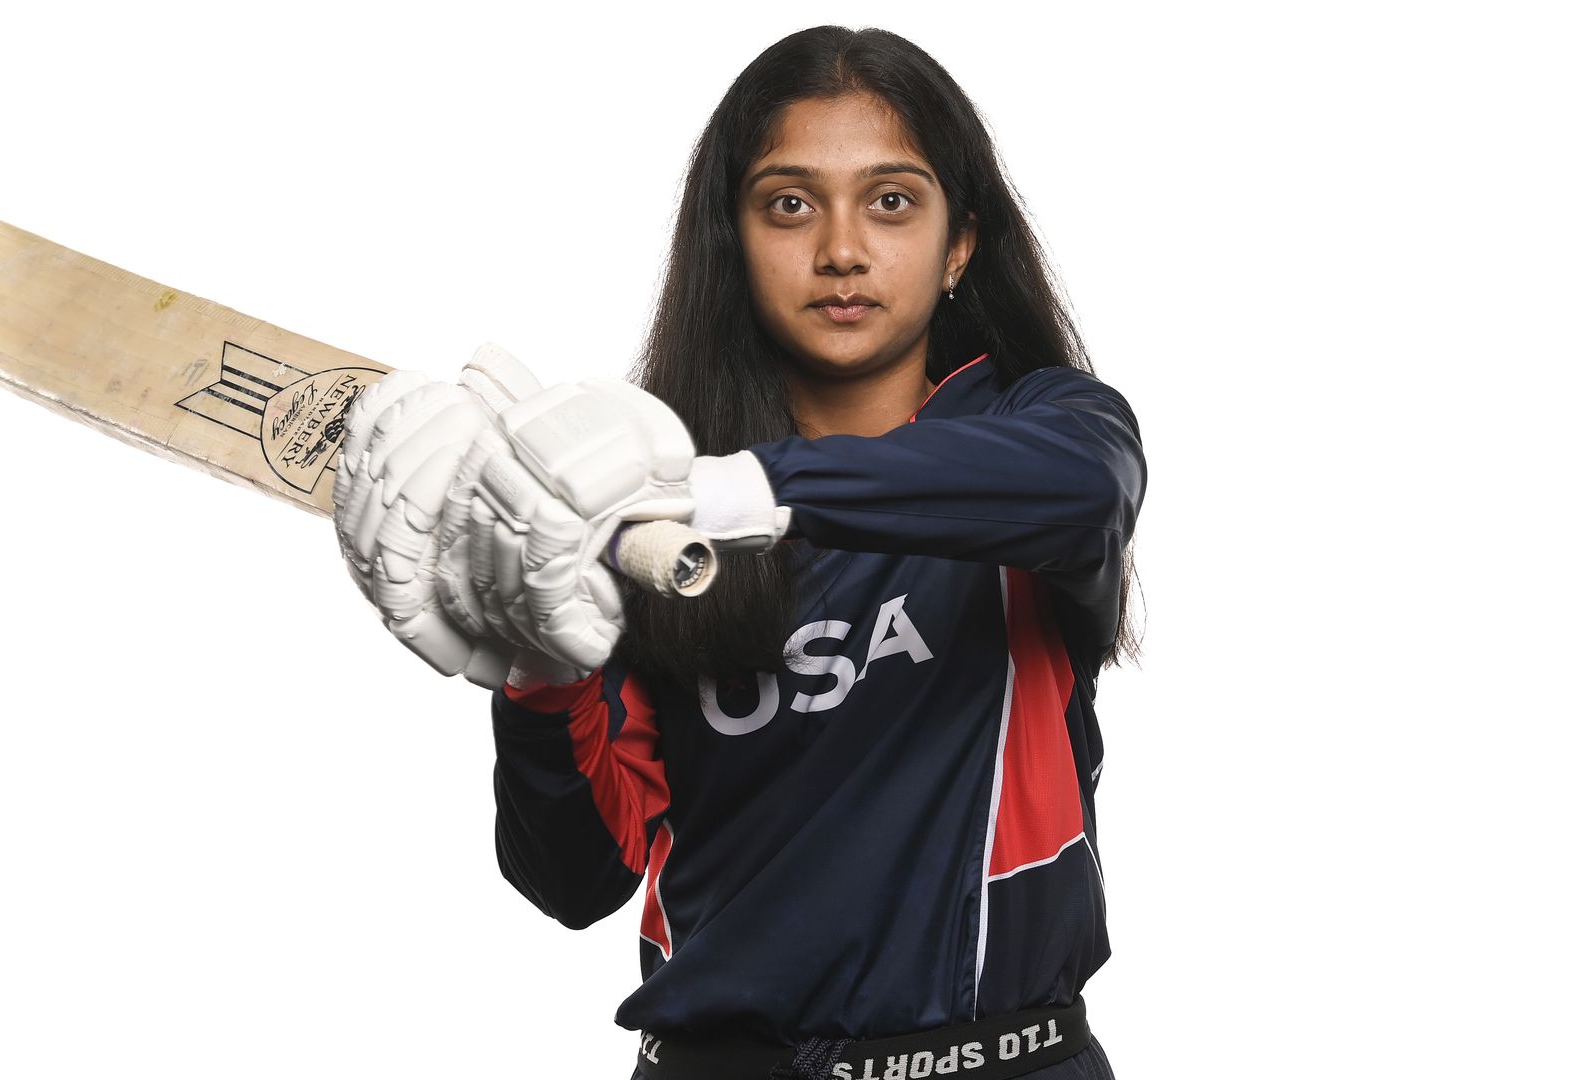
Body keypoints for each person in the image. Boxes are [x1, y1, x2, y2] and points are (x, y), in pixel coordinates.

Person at [334, 24, 1146, 1080]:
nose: (842, 250)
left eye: (891, 201)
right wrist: (537, 665)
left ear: (959, 245)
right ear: (735, 238)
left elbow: (1081, 491)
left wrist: (724, 494)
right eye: (790, 204)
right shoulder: (623, 519)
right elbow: (574, 882)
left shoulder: (1051, 432)